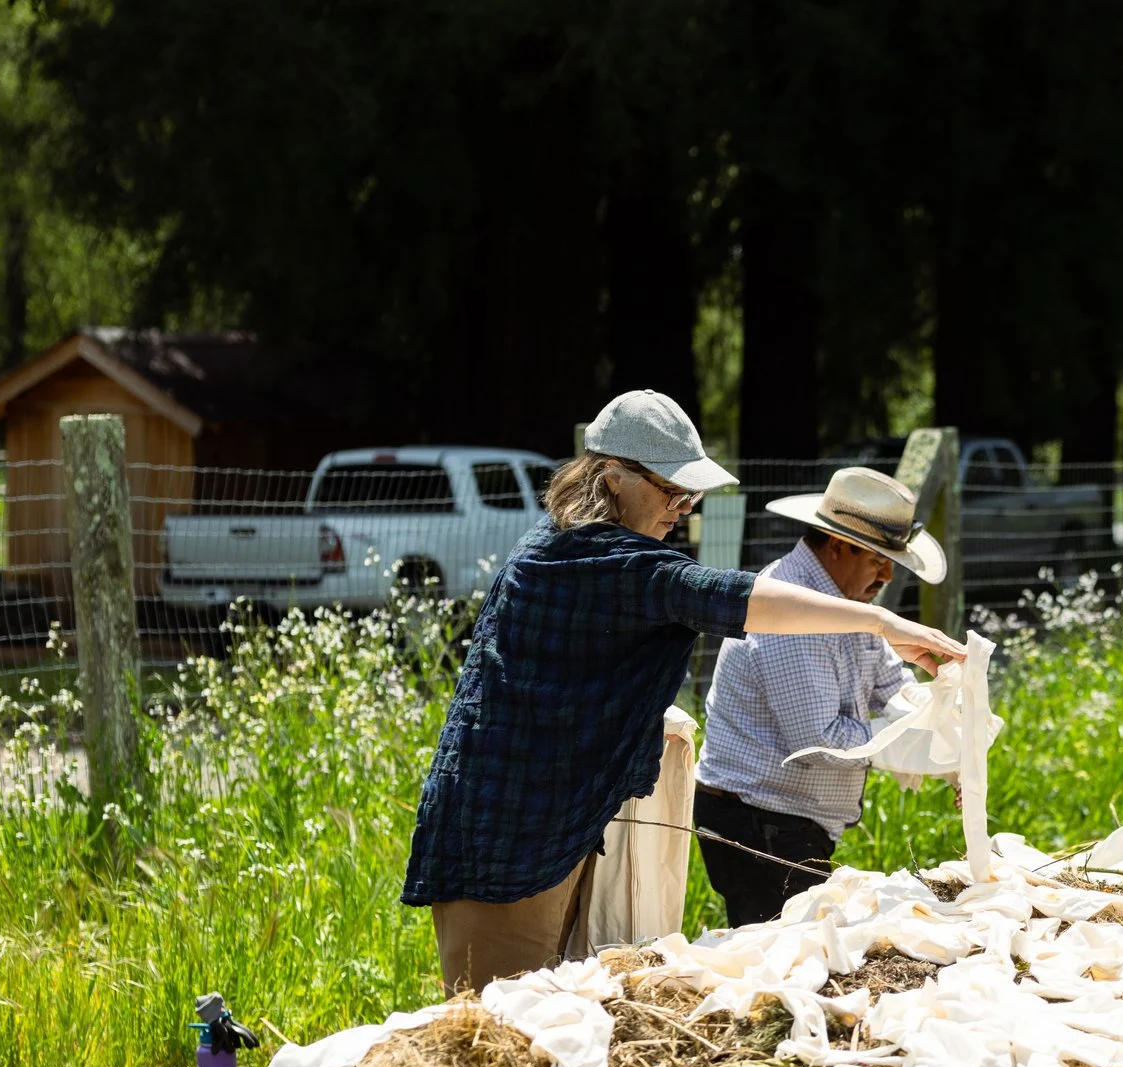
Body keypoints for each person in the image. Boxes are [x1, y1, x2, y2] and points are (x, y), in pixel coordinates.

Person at [402, 391, 963, 992]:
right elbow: (718, 594)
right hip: (503, 834)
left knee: (544, 1010)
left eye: (690, 495)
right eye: (673, 491)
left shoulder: (592, 554)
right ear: (614, 478)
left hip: (551, 824)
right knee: (495, 1024)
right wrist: (881, 622)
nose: (684, 508)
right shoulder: (589, 559)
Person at [694, 467, 948, 925]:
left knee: (799, 951)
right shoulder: (793, 613)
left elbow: (892, 686)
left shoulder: (852, 609)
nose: (888, 575)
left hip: (781, 819)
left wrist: (946, 741)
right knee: (779, 958)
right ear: (838, 546)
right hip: (758, 823)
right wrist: (908, 745)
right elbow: (819, 741)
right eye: (877, 560)